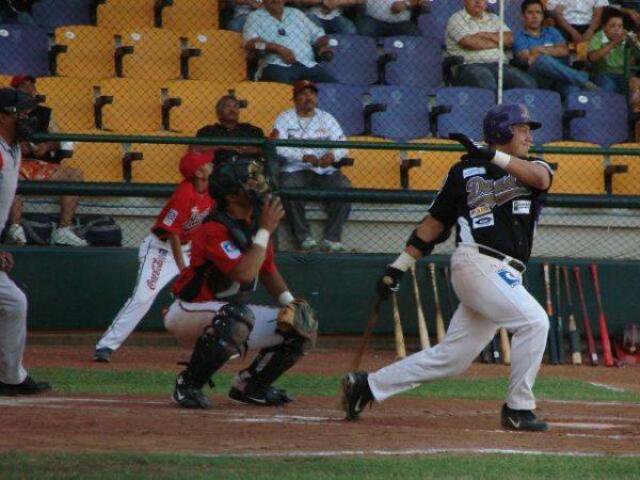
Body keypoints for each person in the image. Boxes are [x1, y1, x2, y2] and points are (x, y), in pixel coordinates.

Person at [341, 103, 553, 432]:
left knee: (453, 358)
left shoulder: (532, 168)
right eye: (522, 128)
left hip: (506, 274)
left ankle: (366, 386)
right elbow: (435, 223)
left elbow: (540, 177)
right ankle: (518, 408)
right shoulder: (462, 172)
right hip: (478, 261)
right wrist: (398, 266)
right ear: (500, 132)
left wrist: (490, 154)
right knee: (535, 322)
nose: (529, 135)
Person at [164, 155, 318, 409]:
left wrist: (292, 304)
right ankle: (187, 385)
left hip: (228, 314)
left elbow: (266, 270)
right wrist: (266, 230)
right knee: (237, 317)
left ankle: (251, 386)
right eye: (249, 182)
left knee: (302, 325)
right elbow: (244, 274)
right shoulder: (212, 228)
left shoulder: (253, 224)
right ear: (231, 195)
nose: (257, 185)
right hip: (189, 311)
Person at [92, 150, 215, 363]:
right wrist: (183, 269)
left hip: (190, 249)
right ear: (198, 172)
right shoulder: (184, 194)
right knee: (143, 296)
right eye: (207, 163)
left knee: (204, 297)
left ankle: (210, 347)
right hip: (162, 250)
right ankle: (105, 346)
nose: (211, 164)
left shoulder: (213, 191)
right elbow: (173, 233)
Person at [0, 87, 50, 396]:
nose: (28, 118)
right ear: (3, 116)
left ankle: (11, 377)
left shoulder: (12, 148)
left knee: (13, 303)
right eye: (23, 112)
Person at [5, 75, 87, 247]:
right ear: (15, 91)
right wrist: (19, 146)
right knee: (10, 176)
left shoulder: (44, 113)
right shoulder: (6, 112)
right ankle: (15, 228)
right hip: (14, 162)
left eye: (31, 85)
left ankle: (64, 230)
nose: (29, 89)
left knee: (74, 174)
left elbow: (58, 138)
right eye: (23, 86)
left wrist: (47, 145)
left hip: (37, 164)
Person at [272, 80, 351, 252]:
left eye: (312, 94)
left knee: (344, 187)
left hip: (323, 170)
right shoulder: (285, 118)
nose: (309, 97)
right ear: (294, 99)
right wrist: (302, 156)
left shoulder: (326, 118)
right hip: (295, 169)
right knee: (288, 188)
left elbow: (343, 144)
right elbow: (277, 146)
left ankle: (332, 238)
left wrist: (333, 155)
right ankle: (304, 238)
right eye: (303, 94)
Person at [514, 0, 600, 97]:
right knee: (542, 60)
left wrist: (539, 49)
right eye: (530, 12)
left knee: (574, 92)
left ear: (542, 16)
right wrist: (553, 50)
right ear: (523, 16)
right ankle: (582, 79)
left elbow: (564, 51)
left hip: (560, 77)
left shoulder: (552, 31)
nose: (535, 16)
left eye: (538, 12)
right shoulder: (519, 35)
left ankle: (580, 94)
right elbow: (527, 58)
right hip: (539, 79)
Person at [446, 0, 537, 91]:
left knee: (528, 84)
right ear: (465, 1)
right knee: (487, 82)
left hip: (500, 65)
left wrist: (485, 35)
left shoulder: (494, 18)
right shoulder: (456, 19)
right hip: (469, 65)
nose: (478, 1)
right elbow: (470, 43)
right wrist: (499, 42)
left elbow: (510, 39)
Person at [243, 0, 336, 84]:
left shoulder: (296, 13)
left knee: (332, 85)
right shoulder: (255, 17)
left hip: (307, 64)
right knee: (282, 86)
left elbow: (319, 35)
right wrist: (277, 48)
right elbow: (250, 45)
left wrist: (323, 46)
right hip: (276, 65)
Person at [193, 95, 265, 165]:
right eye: (227, 106)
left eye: (235, 106)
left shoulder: (251, 130)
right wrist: (221, 147)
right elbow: (193, 150)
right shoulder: (208, 131)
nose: (232, 110)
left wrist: (253, 150)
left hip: (248, 170)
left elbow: (269, 150)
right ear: (219, 113)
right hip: (217, 171)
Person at [588, 8, 640, 95]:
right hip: (603, 74)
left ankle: (632, 108)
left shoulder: (627, 36)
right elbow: (592, 57)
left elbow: (635, 58)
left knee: (635, 85)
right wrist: (613, 43)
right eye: (612, 26)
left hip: (625, 74)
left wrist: (634, 44)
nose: (616, 29)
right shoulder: (598, 37)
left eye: (620, 26)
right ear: (604, 27)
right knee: (609, 87)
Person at [356, 0, 423, 37]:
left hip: (402, 22)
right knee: (363, 33)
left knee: (415, 37)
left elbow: (422, 1)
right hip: (372, 19)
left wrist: (406, 3)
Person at [292, 0, 361, 35]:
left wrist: (337, 2)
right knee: (316, 34)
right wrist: (323, 2)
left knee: (350, 30)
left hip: (336, 15)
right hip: (312, 14)